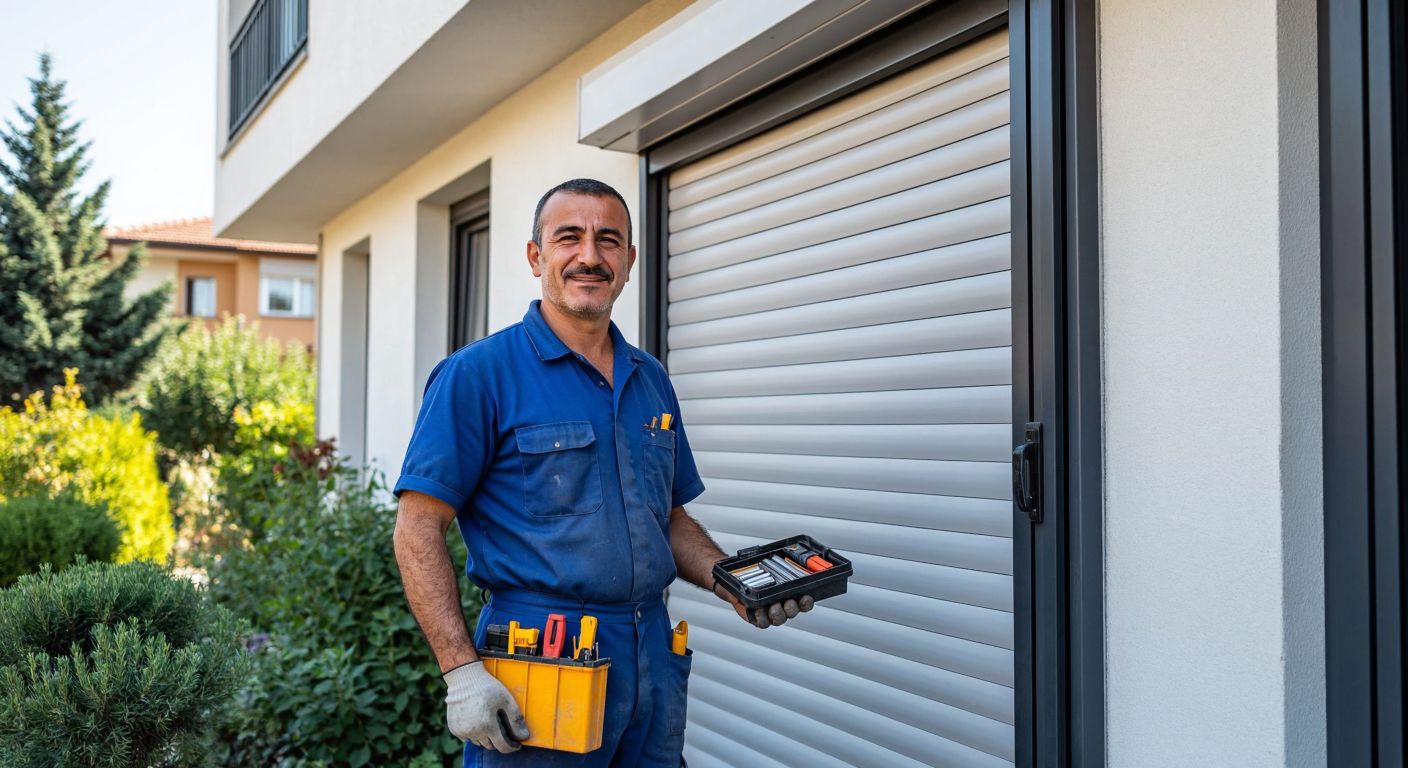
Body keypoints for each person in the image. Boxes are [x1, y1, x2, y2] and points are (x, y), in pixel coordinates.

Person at [392, 178, 812, 767]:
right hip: (541, 661)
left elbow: (668, 519)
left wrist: (737, 584)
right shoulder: (478, 375)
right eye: (569, 238)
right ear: (536, 255)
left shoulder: (650, 379)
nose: (589, 256)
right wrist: (460, 672)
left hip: (651, 659)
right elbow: (416, 528)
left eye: (608, 241)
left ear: (630, 260)